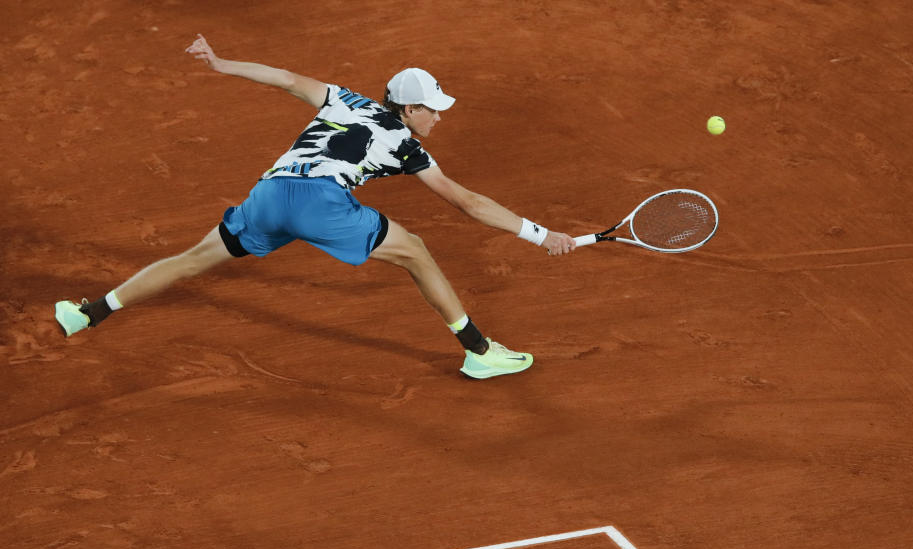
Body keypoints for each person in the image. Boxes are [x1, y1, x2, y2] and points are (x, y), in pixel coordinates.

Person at [55, 34, 577, 379]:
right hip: (320, 202)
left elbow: (283, 78)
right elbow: (466, 201)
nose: (439, 119)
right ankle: (479, 353)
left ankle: (88, 313)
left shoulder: (344, 98)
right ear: (411, 108)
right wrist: (539, 234)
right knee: (416, 251)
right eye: (434, 110)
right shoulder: (407, 145)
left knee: (194, 258)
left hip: (269, 192)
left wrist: (219, 63)